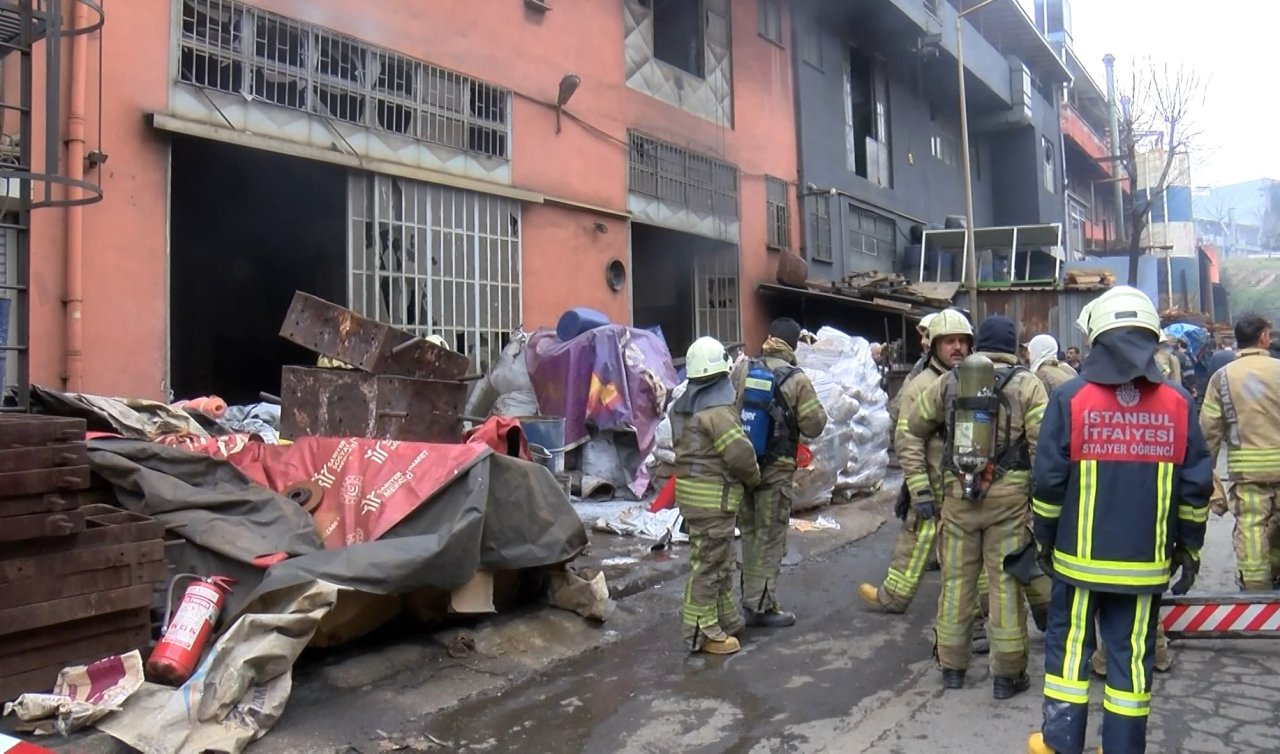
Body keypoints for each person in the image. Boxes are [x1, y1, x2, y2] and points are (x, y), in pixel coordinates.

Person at [1026, 286, 1212, 754]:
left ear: (1097, 339)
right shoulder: (1177, 403)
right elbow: (1195, 489)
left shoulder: (1070, 398)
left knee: (1069, 655)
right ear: (1152, 339)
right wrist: (1189, 549)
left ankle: (1060, 744)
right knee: (1131, 662)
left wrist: (1044, 540)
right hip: (1144, 567)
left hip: (1076, 563)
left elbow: (1048, 484)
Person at [902, 315, 1048, 699]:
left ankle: (952, 666)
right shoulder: (1028, 384)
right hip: (1010, 503)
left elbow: (912, 429)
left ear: (978, 343)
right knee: (1004, 585)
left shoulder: (949, 381)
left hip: (957, 498)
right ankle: (1008, 675)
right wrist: (1046, 503)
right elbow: (1045, 448)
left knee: (955, 583)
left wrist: (920, 489)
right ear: (1014, 344)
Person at [860, 309, 971, 613]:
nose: (957, 347)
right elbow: (908, 439)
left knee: (967, 551)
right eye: (949, 341)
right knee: (916, 539)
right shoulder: (921, 385)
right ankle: (893, 597)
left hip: (967, 485)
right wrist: (919, 489)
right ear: (935, 346)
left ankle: (969, 613)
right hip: (935, 481)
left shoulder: (973, 379)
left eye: (962, 341)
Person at [732, 318, 828, 627]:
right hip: (777, 468)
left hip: (745, 464)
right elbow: (815, 424)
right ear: (794, 345)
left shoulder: (744, 369)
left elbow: (730, 411)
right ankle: (762, 606)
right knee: (770, 535)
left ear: (769, 337)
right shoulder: (797, 379)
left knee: (748, 532)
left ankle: (748, 597)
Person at [672, 337, 761, 654]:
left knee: (719, 560)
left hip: (694, 498)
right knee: (710, 565)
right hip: (714, 501)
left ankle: (725, 618)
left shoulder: (683, 408)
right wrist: (754, 478)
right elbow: (740, 455)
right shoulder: (718, 412)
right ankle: (701, 633)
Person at [1199, 313, 1280, 591]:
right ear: (1263, 337)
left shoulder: (1222, 378)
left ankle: (1257, 584)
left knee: (1252, 527)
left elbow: (1209, 429)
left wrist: (1204, 471)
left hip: (1247, 473)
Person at [905, 313, 938, 382]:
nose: (922, 342)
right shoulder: (921, 362)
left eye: (927, 337)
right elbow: (909, 381)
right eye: (922, 336)